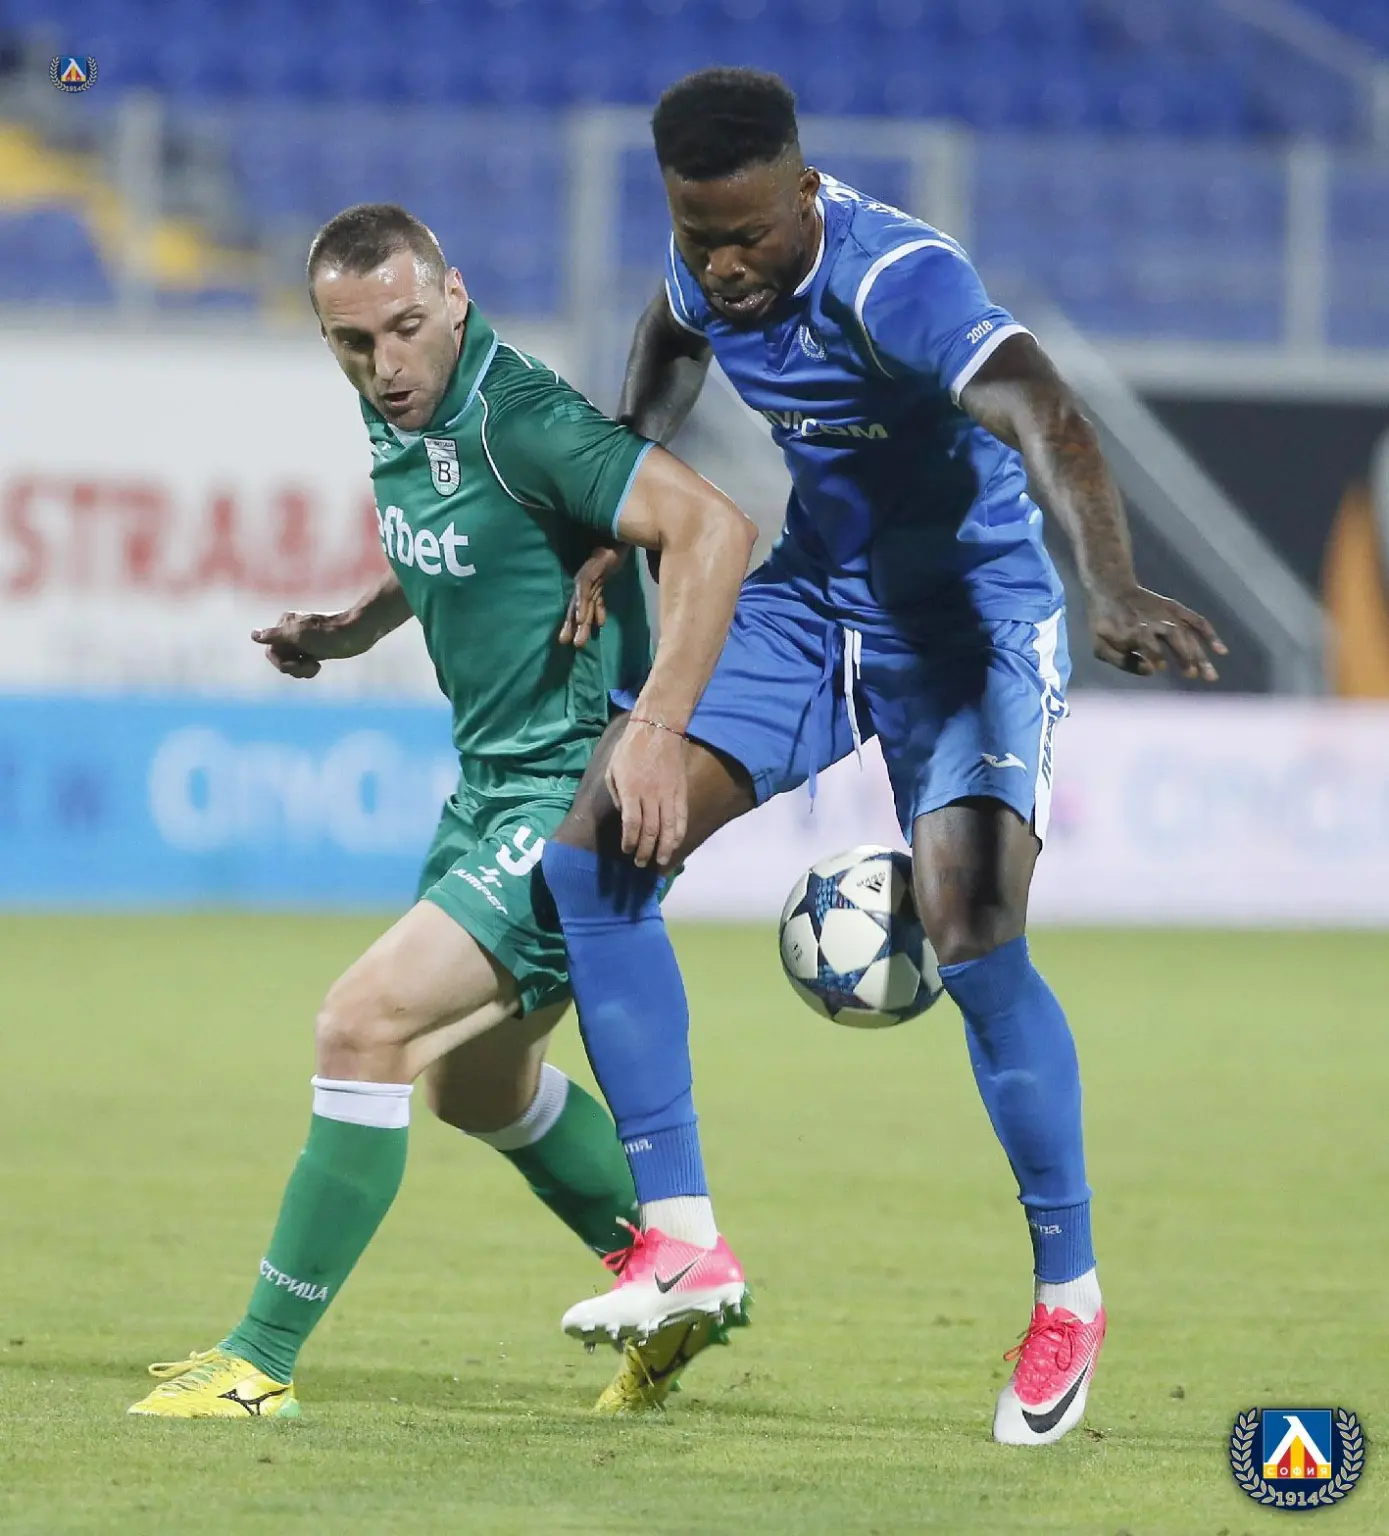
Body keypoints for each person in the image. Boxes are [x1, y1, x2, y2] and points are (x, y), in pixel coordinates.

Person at [541, 68, 1225, 1447]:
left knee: (971, 935)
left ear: (805, 192)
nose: (724, 268)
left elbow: (1047, 413)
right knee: (595, 851)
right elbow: (668, 337)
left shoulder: (896, 279)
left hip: (970, 617)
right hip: (815, 600)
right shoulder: (703, 267)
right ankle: (683, 1241)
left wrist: (1109, 584)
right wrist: (622, 493)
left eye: (748, 237)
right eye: (697, 237)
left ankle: (1067, 1297)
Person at [127, 202, 756, 1420]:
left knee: (360, 1025)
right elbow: (457, 542)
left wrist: (655, 734)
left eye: (407, 329)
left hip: (573, 797)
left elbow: (714, 529)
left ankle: (257, 1363)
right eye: (354, 343)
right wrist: (353, 629)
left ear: (454, 297)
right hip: (489, 791)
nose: (386, 364)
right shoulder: (404, 411)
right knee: (476, 1089)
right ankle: (675, 1285)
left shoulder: (526, 419)